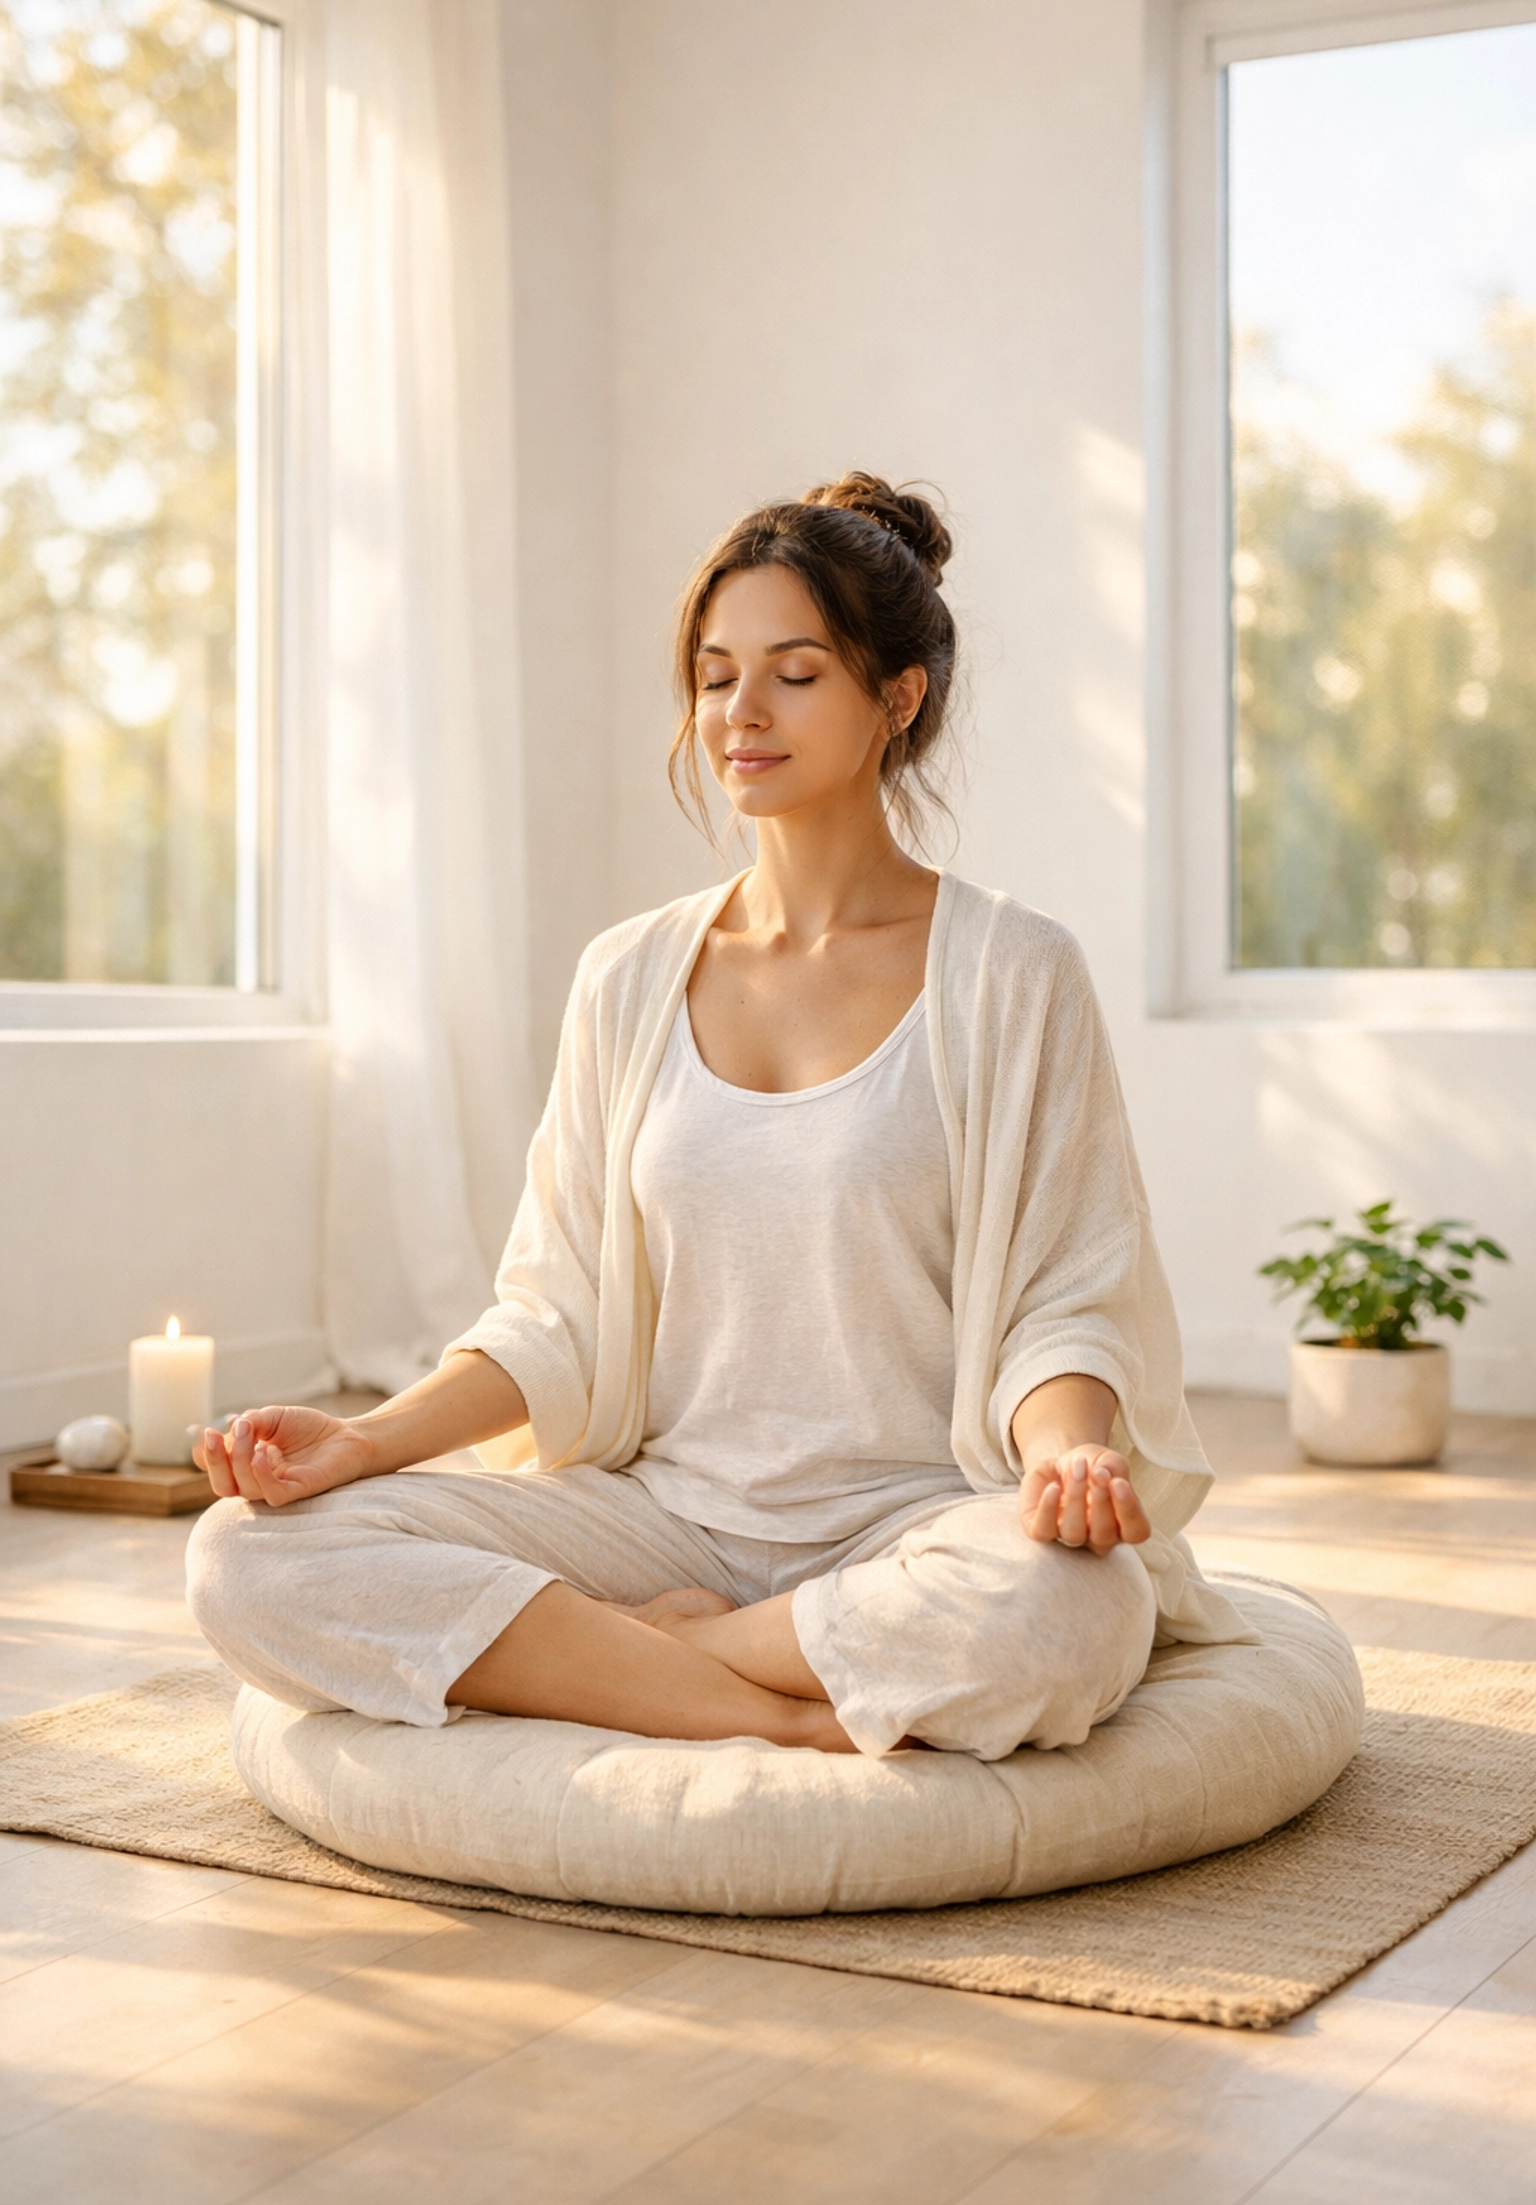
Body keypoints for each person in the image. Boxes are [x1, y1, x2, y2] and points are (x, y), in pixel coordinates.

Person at [186, 473, 1252, 1763]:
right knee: (248, 1559)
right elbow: (554, 1316)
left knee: (1065, 1611)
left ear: (896, 697)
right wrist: (359, 1441)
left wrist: (1070, 1460)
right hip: (663, 1518)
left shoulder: (1015, 970)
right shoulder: (630, 975)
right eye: (713, 674)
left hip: (913, 1518)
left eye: (794, 674)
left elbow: (1065, 1296)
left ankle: (648, 1654)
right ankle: (789, 1713)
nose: (740, 714)